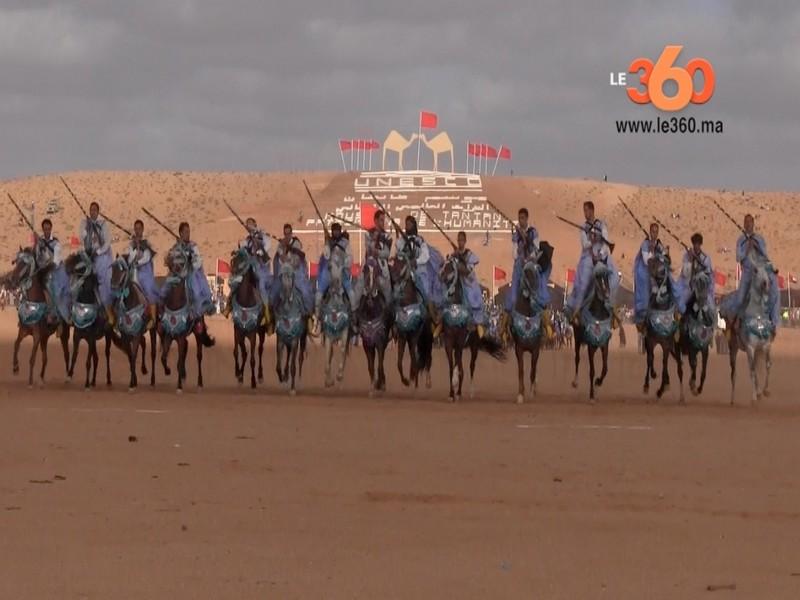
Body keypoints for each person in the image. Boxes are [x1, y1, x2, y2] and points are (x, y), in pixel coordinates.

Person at [720, 214, 779, 335]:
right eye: (745, 222)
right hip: (748, 272)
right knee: (740, 297)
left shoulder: (760, 239)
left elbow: (765, 255)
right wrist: (747, 248)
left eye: (750, 222)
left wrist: (756, 245)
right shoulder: (741, 240)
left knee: (774, 290)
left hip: (761, 269)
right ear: (743, 224)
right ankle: (732, 321)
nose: (748, 224)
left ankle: (774, 322)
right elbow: (738, 257)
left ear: (753, 224)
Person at [564, 200, 619, 322]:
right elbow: (584, 244)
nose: (585, 213)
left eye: (587, 210)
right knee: (583, 282)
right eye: (584, 210)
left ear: (592, 210)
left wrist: (600, 253)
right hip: (588, 257)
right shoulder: (583, 228)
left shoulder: (601, 225)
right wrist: (592, 240)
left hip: (602, 256)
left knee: (614, 276)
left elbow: (606, 243)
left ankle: (611, 307)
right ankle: (576, 309)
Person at [163, 222, 214, 336]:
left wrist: (191, 259)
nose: (188, 234)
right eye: (185, 232)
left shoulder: (193, 246)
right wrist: (171, 261)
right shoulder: (176, 247)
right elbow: (169, 259)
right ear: (180, 233)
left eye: (189, 232)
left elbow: (198, 261)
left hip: (190, 273)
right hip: (176, 274)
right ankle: (163, 318)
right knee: (164, 290)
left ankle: (198, 320)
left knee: (196, 292)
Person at [395, 214, 444, 332]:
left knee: (426, 292)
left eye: (409, 224)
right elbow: (398, 250)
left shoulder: (420, 240)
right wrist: (398, 233)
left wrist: (415, 261)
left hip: (419, 271)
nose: (407, 226)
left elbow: (425, 256)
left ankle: (434, 318)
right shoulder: (402, 240)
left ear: (414, 225)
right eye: (406, 224)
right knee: (395, 290)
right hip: (405, 269)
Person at [225, 217, 272, 325]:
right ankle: (229, 305)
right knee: (236, 281)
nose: (249, 226)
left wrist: (260, 250)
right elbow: (242, 248)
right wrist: (237, 252)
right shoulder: (247, 239)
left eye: (250, 224)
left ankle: (266, 312)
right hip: (248, 266)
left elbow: (268, 245)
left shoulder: (262, 237)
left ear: (255, 224)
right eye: (247, 225)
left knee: (261, 285)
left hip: (260, 267)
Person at [350, 210, 393, 314]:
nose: (383, 223)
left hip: (381, 266)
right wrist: (374, 238)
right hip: (368, 264)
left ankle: (390, 313)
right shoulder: (368, 233)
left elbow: (386, 253)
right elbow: (369, 248)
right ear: (375, 220)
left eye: (384, 220)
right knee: (359, 284)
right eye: (381, 220)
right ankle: (354, 312)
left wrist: (377, 250)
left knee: (388, 291)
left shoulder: (388, 236)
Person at [78, 201, 114, 324]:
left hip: (102, 256)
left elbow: (107, 242)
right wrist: (86, 228)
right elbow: (81, 238)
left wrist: (98, 252)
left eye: (95, 209)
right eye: (91, 209)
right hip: (88, 256)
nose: (92, 211)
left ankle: (108, 311)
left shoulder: (103, 224)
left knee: (102, 280)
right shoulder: (85, 223)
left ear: (98, 211)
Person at [447, 231, 486, 338]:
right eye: (458, 240)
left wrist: (460, 263)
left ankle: (476, 323)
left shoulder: (469, 255)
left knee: (472, 298)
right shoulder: (454, 254)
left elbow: (468, 271)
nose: (460, 242)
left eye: (462, 240)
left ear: (465, 241)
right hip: (456, 280)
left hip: (468, 282)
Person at [271, 223, 314, 319]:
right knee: (273, 293)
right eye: (285, 234)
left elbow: (298, 260)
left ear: (291, 233)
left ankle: (309, 316)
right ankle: (272, 318)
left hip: (296, 273)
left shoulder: (297, 244)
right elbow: (281, 258)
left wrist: (292, 249)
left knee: (305, 293)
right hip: (283, 273)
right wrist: (285, 248)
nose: (287, 235)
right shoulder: (281, 244)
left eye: (288, 233)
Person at [34, 218, 71, 326]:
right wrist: (37, 244)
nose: (46, 231)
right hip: (41, 271)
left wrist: (45, 268)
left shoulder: (56, 243)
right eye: (45, 229)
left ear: (51, 229)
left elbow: (55, 262)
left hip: (55, 272)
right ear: (42, 229)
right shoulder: (40, 241)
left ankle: (54, 314)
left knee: (52, 289)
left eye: (48, 229)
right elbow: (37, 256)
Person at [315, 222, 353, 326]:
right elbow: (326, 255)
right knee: (318, 295)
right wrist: (328, 243)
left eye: (338, 230)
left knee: (352, 295)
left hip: (342, 272)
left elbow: (350, 257)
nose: (336, 233)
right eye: (334, 231)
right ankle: (317, 320)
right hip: (328, 273)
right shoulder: (329, 242)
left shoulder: (345, 243)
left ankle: (353, 321)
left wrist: (344, 264)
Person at [633, 222, 667, 328]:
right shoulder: (645, 244)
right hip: (646, 273)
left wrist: (663, 255)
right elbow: (646, 260)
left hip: (657, 272)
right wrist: (651, 251)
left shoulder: (659, 244)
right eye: (653, 232)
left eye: (656, 232)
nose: (654, 234)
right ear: (650, 231)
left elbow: (663, 256)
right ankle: (642, 318)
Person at [127, 219, 159, 329]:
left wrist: (137, 260)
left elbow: (146, 257)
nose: (137, 231)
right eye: (135, 229)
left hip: (145, 272)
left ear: (143, 229)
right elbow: (130, 258)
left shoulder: (147, 243)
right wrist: (136, 247)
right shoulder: (131, 244)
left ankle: (153, 318)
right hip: (133, 271)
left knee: (149, 289)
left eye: (139, 229)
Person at [679, 233, 715, 323]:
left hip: (702, 288)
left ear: (701, 244)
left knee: (711, 307)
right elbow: (685, 273)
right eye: (695, 243)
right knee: (680, 304)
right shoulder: (686, 256)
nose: (696, 246)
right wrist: (690, 261)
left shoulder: (706, 258)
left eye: (698, 244)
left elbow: (708, 275)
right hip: (689, 286)